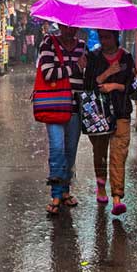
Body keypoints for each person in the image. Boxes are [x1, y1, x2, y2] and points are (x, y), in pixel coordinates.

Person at [81, 30, 136, 216]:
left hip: (121, 111)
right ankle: (101, 186)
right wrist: (107, 74)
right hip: (98, 114)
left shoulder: (126, 58)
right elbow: (88, 84)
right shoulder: (94, 57)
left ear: (115, 37)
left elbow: (134, 86)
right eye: (102, 37)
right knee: (100, 152)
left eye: (108, 37)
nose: (105, 41)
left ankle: (117, 198)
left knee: (119, 153)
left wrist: (115, 86)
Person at [37, 24, 86, 215]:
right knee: (57, 148)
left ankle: (65, 190)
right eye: (67, 26)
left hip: (75, 107)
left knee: (70, 151)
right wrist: (75, 67)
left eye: (74, 27)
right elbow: (48, 73)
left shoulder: (82, 46)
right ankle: (56, 194)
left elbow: (84, 76)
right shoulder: (48, 43)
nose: (70, 30)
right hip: (55, 105)